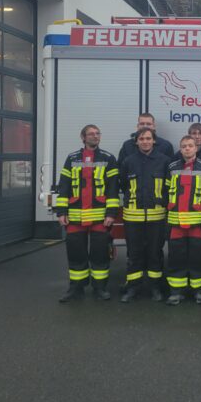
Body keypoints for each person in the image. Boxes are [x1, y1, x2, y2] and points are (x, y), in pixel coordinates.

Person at [54, 124, 119, 302]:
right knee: (76, 253)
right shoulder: (72, 158)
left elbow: (113, 189)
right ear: (83, 137)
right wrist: (61, 211)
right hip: (75, 217)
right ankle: (76, 288)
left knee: (100, 254)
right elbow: (64, 186)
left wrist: (111, 213)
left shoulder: (108, 158)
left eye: (97, 133)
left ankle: (100, 288)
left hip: (100, 217)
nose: (95, 136)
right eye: (91, 134)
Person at [119, 128, 171, 303]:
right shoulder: (128, 161)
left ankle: (155, 287)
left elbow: (168, 188)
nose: (145, 141)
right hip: (133, 216)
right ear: (137, 141)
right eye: (142, 139)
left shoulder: (164, 161)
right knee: (134, 253)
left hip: (156, 216)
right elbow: (124, 183)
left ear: (154, 141)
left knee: (155, 253)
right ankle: (133, 288)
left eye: (148, 138)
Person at [164, 135, 201, 306]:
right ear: (180, 148)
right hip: (176, 223)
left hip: (197, 224)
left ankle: (200, 291)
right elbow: (165, 192)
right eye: (184, 146)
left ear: (196, 147)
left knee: (198, 258)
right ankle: (176, 292)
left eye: (190, 146)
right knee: (176, 258)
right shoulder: (171, 167)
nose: (187, 149)